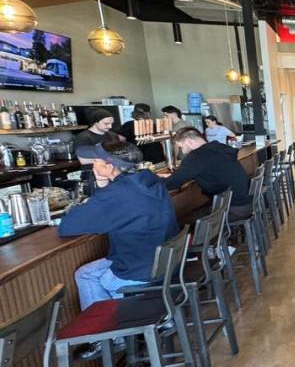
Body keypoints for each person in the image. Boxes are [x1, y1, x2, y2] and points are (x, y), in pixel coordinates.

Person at [59, 141, 178, 347]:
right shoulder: (149, 180)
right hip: (164, 264)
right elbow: (107, 207)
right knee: (85, 273)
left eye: (95, 161)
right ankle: (116, 336)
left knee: (102, 279)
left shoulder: (118, 195)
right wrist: (103, 185)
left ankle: (112, 338)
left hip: (140, 273)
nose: (92, 166)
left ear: (109, 166)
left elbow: (68, 226)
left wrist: (102, 187)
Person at [163, 127, 252, 220]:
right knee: (197, 211)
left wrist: (150, 178)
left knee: (182, 222)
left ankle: (217, 234)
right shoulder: (218, 147)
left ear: (189, 141)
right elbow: (210, 170)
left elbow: (172, 183)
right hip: (247, 201)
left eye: (181, 147)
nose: (183, 151)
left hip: (232, 209)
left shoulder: (195, 157)